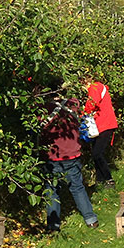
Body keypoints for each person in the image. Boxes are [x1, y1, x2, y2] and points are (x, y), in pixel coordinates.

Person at [40, 95, 99, 232]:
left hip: (52, 156)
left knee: (52, 192)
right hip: (73, 153)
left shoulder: (44, 108)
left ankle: (53, 226)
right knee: (77, 188)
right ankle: (91, 220)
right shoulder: (73, 103)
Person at [82, 76, 118, 188]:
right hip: (102, 125)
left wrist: (82, 114)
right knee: (96, 153)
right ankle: (100, 181)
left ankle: (109, 179)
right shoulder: (99, 86)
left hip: (104, 124)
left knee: (97, 153)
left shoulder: (94, 87)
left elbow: (92, 104)